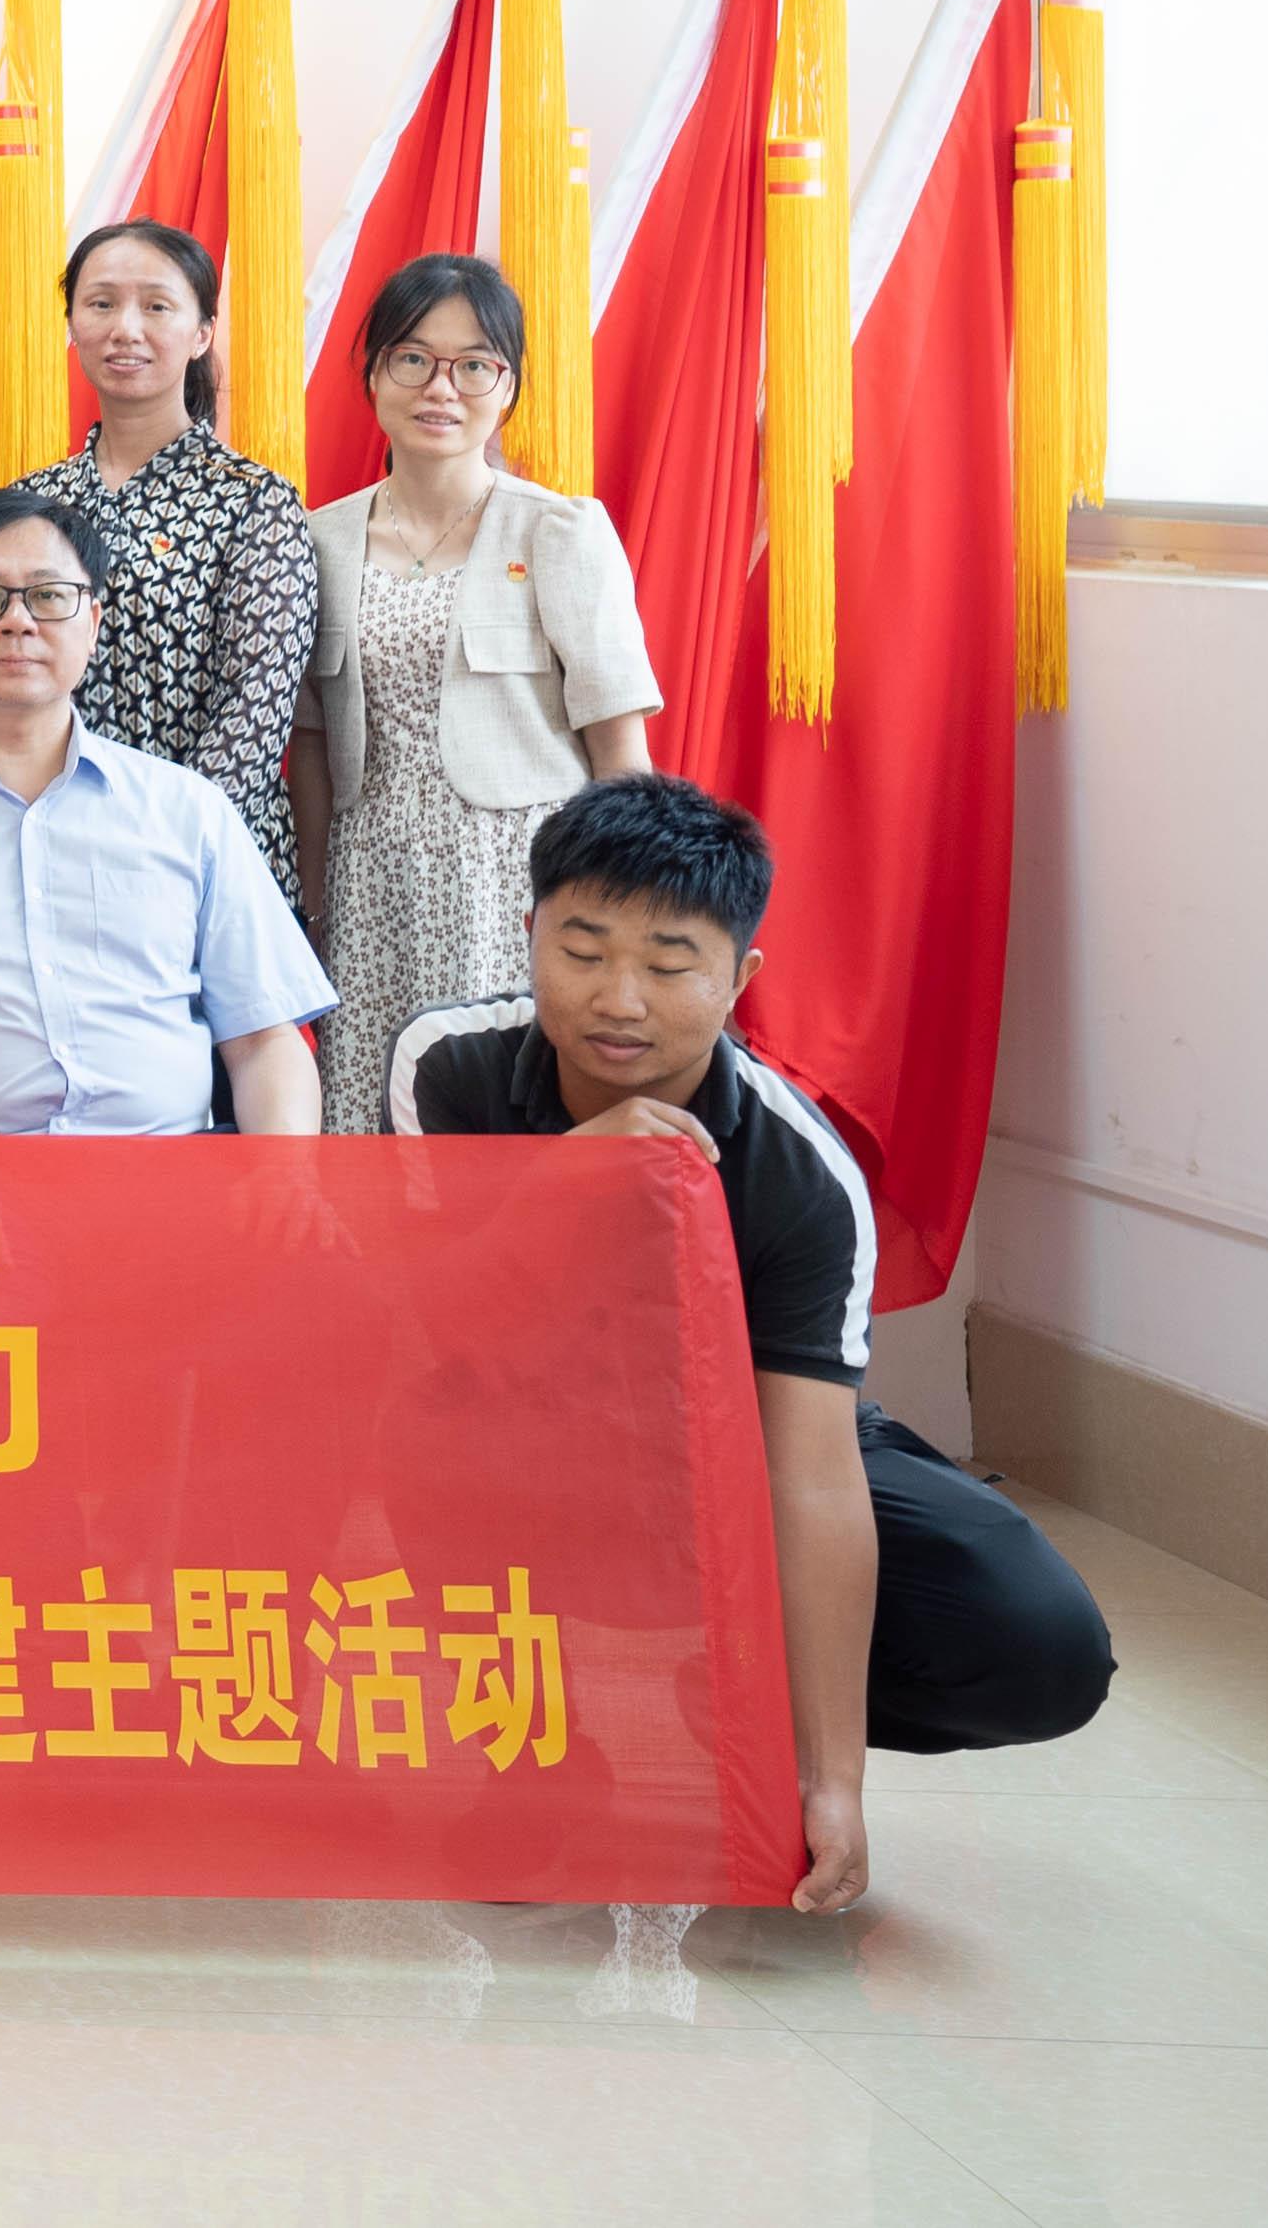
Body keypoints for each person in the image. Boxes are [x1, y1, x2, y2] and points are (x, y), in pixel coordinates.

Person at [393, 774, 1116, 1910]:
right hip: (525, 1424)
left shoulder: (803, 1171)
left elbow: (809, 1470)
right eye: (581, 950)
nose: (618, 999)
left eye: (670, 963)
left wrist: (829, 1778)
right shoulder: (448, 1062)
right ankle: (534, 1752)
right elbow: (430, 1328)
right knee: (418, 1424)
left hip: (737, 1442)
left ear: (739, 978)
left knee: (1038, 1643)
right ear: (529, 935)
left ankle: (748, 1708)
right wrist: (562, 1185)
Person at [0, 489, 333, 1135]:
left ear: (93, 622)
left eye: (48, 596)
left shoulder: (187, 810)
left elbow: (266, 1040)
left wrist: (279, 1180)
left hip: (169, 1170)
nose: (17, 621)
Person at [299, 249, 663, 1132]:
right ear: (373, 374)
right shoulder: (318, 540)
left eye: (473, 365)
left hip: (516, 884)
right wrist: (310, 897)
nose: (441, 387)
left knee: (501, 1120)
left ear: (507, 387)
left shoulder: (557, 531)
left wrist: (614, 915)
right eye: (412, 358)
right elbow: (307, 742)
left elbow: (619, 749)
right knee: (368, 1120)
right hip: (367, 883)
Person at [0, 219, 316, 904]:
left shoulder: (254, 500)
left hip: (198, 865)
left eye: (156, 306)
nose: (125, 329)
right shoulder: (31, 502)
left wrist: (150, 847)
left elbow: (254, 713)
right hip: (31, 848)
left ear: (201, 332)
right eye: (101, 303)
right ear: (72, 324)